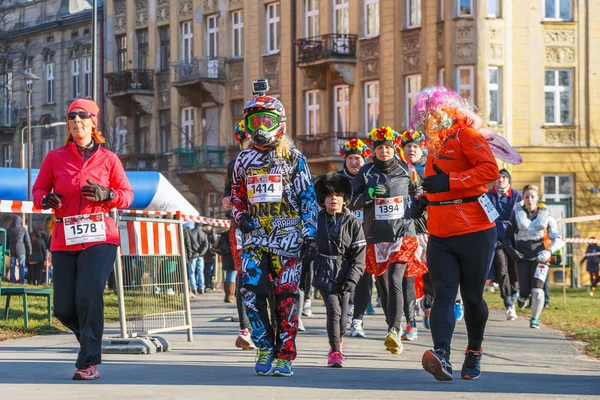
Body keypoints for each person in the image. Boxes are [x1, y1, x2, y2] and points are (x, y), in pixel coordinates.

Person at [32, 98, 133, 380]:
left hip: (100, 237)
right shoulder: (55, 157)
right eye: (72, 118)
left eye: (82, 118)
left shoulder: (109, 159)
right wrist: (44, 198)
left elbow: (127, 195)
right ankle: (90, 340)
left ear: (93, 122)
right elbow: (38, 189)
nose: (77, 122)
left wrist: (108, 195)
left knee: (88, 295)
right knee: (64, 307)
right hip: (64, 237)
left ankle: (88, 361)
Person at [410, 87, 499, 381]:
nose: (428, 122)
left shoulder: (468, 137)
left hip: (475, 231)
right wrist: (425, 200)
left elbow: (489, 171)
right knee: (443, 295)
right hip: (440, 234)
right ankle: (441, 355)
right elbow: (438, 186)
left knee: (472, 298)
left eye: (433, 115)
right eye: (424, 117)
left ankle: (474, 352)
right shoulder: (434, 146)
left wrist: (450, 181)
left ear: (450, 113)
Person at [231, 91, 318, 377]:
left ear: (278, 123)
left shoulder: (293, 158)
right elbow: (237, 195)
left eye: (266, 121)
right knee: (250, 292)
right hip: (255, 238)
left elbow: (308, 197)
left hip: (289, 239)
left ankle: (285, 354)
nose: (259, 128)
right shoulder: (243, 160)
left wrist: (310, 235)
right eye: (255, 122)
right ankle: (264, 344)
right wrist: (241, 216)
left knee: (286, 298)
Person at [349, 126, 422, 355]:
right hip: (377, 235)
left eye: (388, 148)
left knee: (395, 278)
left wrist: (418, 211)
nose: (384, 152)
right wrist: (368, 196)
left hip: (403, 233)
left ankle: (395, 329)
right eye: (379, 148)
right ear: (374, 151)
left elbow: (418, 193)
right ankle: (392, 324)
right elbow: (351, 201)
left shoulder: (406, 170)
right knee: (382, 285)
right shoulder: (366, 172)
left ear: (394, 149)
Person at [313, 173, 366, 367]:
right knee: (333, 310)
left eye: (337, 195)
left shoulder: (352, 222)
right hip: (324, 272)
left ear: (344, 199)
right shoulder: (315, 220)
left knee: (343, 316)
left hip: (345, 274)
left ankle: (339, 342)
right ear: (322, 199)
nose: (333, 199)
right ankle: (335, 351)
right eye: (329, 195)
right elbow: (307, 248)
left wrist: (352, 279)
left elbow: (360, 255)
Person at [503, 184, 564, 329]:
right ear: (523, 198)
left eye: (532, 197)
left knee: (537, 290)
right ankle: (522, 297)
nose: (529, 199)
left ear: (537, 198)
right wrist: (512, 252)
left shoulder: (545, 214)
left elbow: (559, 239)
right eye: (526, 197)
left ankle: (534, 320)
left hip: (540, 257)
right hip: (522, 257)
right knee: (524, 290)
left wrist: (549, 251)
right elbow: (506, 237)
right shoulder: (516, 214)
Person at [338, 139, 376, 339]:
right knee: (343, 277)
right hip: (341, 236)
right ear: (345, 161)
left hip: (365, 235)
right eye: (351, 158)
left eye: (358, 159)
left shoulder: (372, 178)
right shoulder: (337, 179)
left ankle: (357, 321)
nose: (354, 162)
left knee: (364, 278)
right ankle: (343, 315)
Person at [223, 120, 255, 350]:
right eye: (248, 141)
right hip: (241, 226)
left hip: (270, 226)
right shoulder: (234, 164)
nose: (252, 144)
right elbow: (228, 191)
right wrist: (227, 199)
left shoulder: (276, 161)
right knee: (243, 275)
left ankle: (268, 326)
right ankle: (245, 329)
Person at [486, 169, 523, 320]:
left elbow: (521, 216)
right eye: (498, 178)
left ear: (508, 180)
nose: (500, 180)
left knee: (515, 272)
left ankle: (513, 296)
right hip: (497, 239)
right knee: (502, 269)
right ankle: (508, 304)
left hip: (514, 239)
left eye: (503, 178)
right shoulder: (488, 196)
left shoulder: (517, 196)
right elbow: (485, 216)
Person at [184, 222, 208, 296]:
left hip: (193, 255)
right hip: (200, 256)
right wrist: (201, 253)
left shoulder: (190, 232)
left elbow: (188, 243)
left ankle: (193, 288)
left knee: (192, 273)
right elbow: (206, 245)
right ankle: (201, 288)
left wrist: (191, 252)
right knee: (201, 272)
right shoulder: (204, 234)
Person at [7, 215, 31, 283]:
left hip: (11, 249)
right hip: (21, 249)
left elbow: (7, 241)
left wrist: (6, 250)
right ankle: (22, 280)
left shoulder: (9, 230)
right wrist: (30, 249)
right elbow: (27, 240)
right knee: (22, 265)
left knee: (12, 265)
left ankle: (12, 280)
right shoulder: (23, 229)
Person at [215, 228, 236, 303]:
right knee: (232, 275)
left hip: (226, 257)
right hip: (232, 256)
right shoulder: (231, 233)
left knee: (228, 275)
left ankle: (227, 295)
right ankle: (230, 295)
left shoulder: (223, 235)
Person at [202, 224, 217, 290]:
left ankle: (206, 284)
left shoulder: (203, 232)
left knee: (206, 270)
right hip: (209, 254)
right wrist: (213, 231)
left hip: (205, 254)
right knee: (209, 270)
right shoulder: (210, 233)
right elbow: (214, 241)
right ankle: (208, 284)